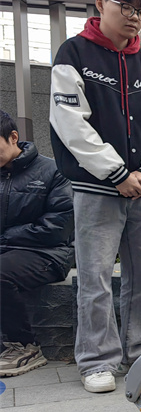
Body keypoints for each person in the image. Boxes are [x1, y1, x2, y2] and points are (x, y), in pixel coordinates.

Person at [49, 0, 141, 393]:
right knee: (95, 276)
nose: (135, 17)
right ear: (100, 5)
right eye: (126, 7)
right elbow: (70, 124)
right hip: (95, 188)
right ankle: (97, 361)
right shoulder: (74, 54)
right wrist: (117, 173)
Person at [0, 111, 74, 377]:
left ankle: (24, 346)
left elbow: (58, 227)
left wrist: (5, 237)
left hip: (48, 253)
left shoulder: (53, 171)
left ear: (13, 137)